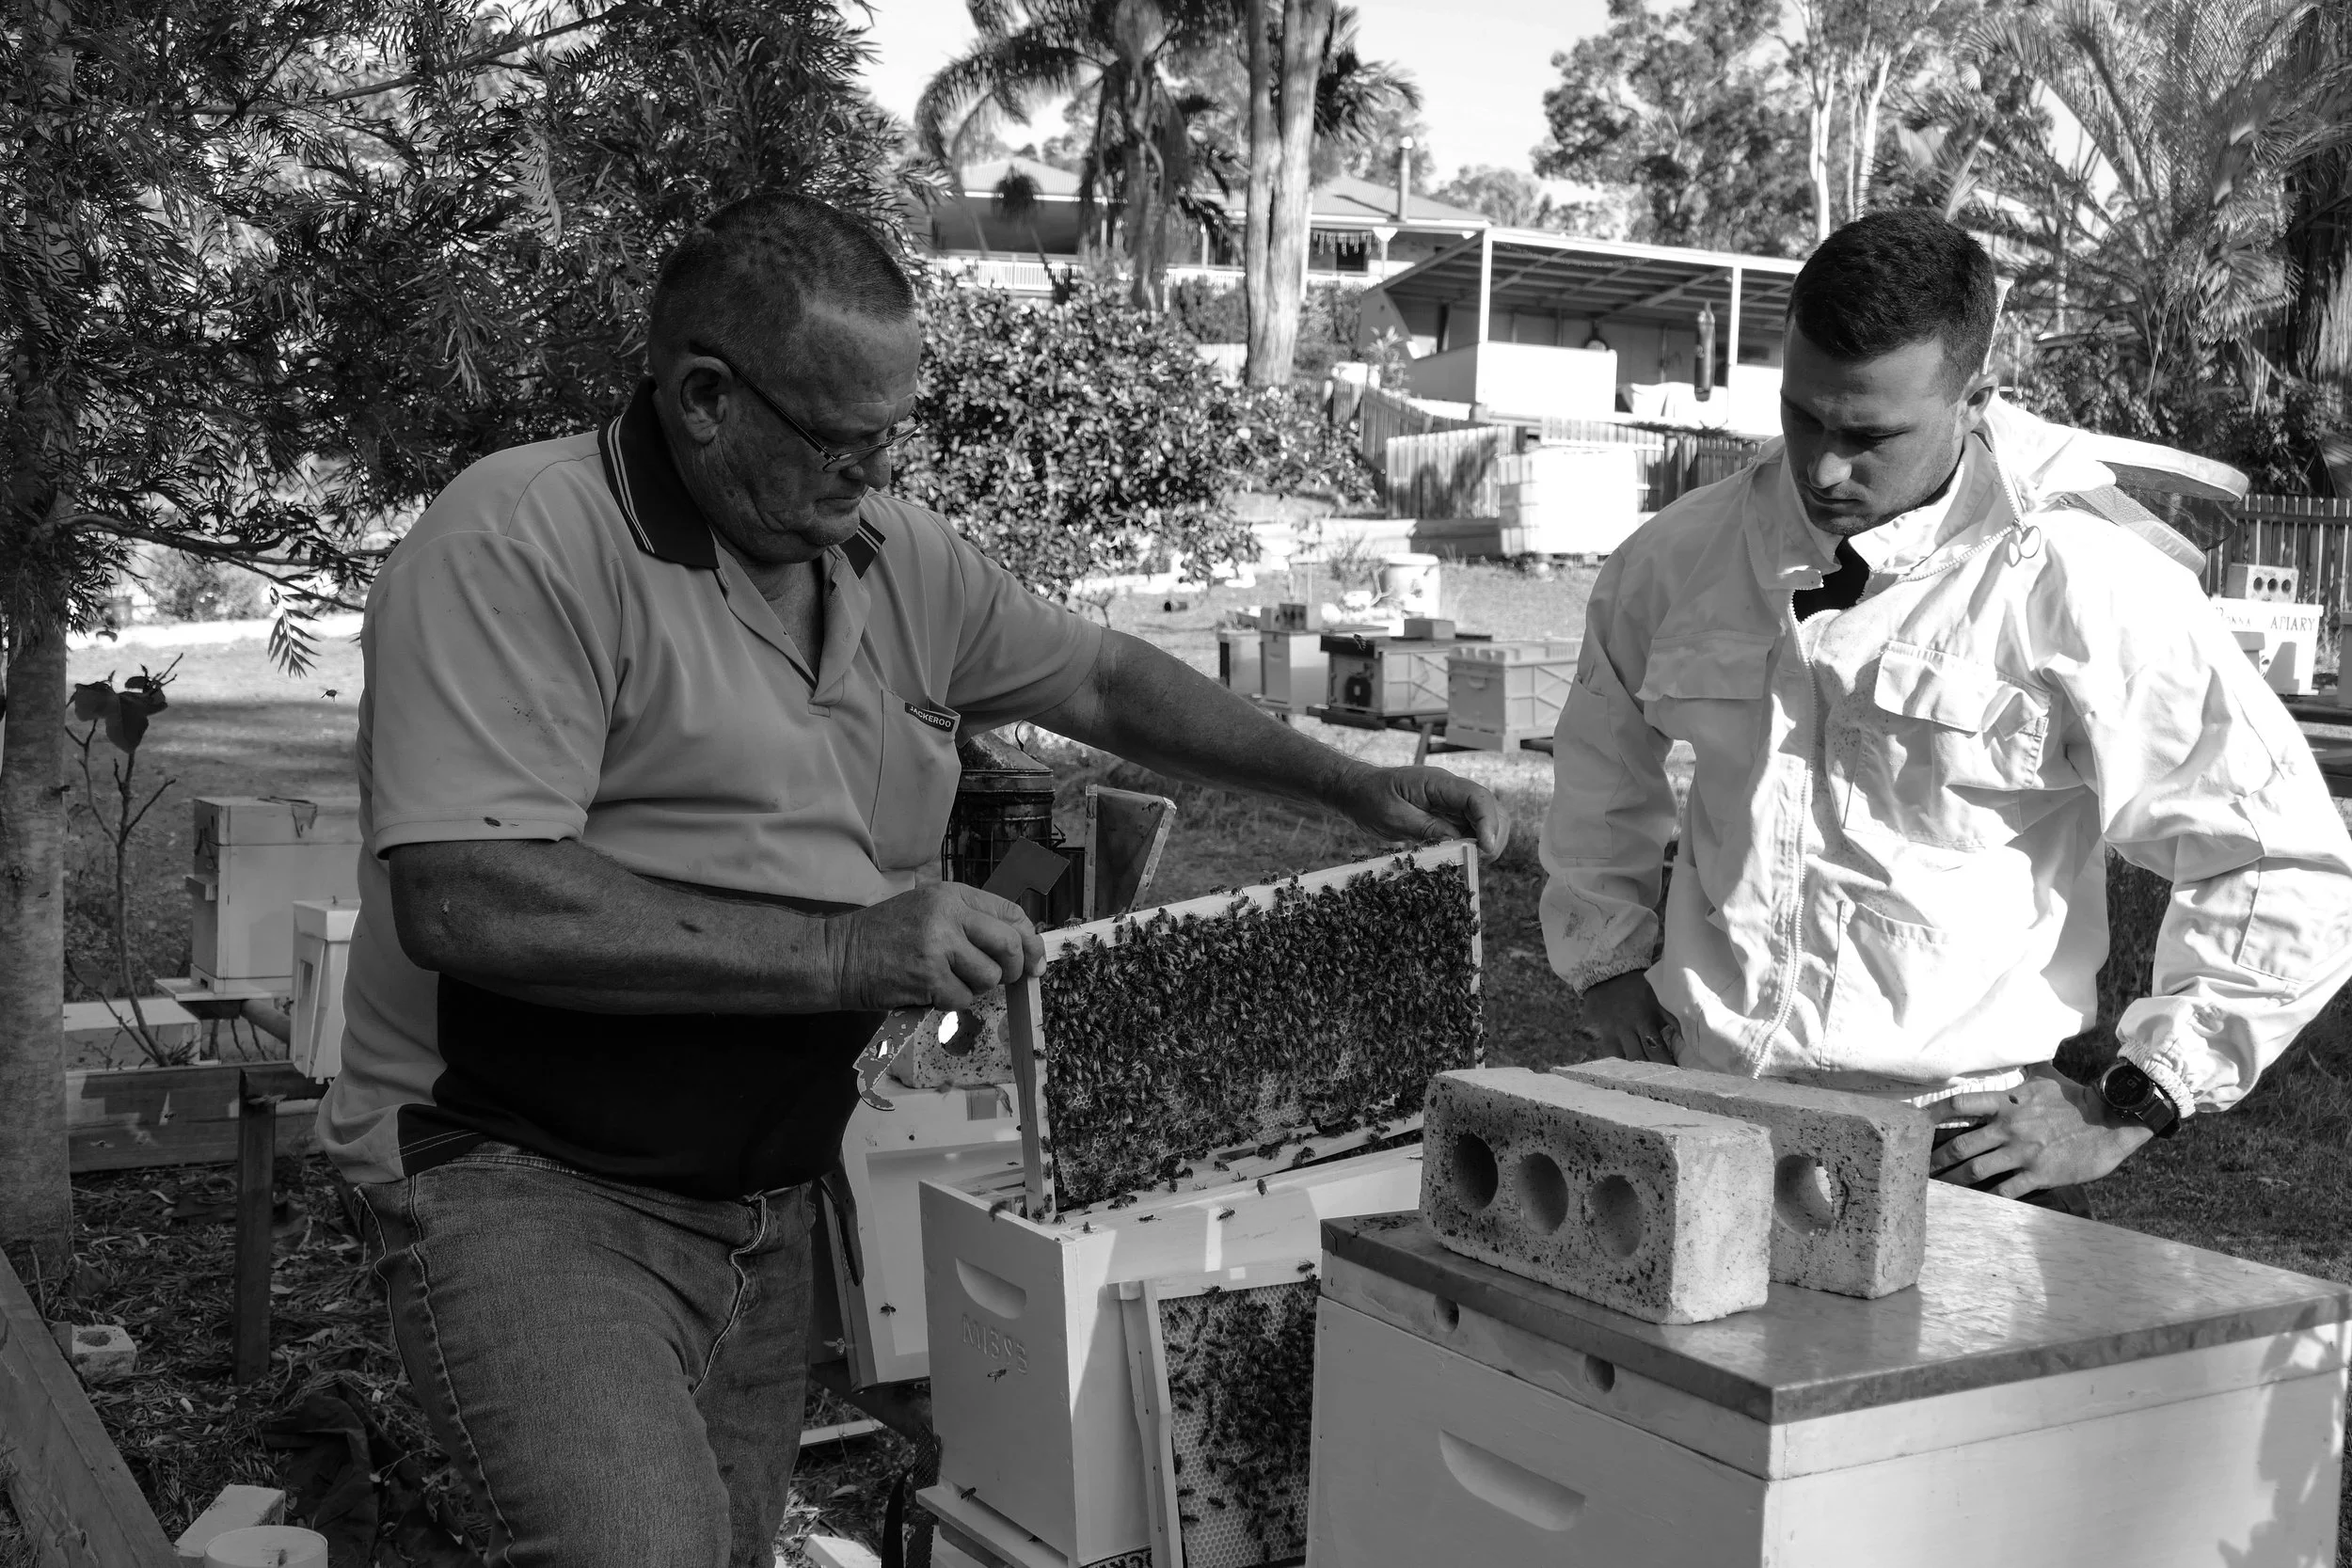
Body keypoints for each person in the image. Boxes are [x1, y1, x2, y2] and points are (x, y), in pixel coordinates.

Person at [323, 191, 1504, 1568]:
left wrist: (1346, 781)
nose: (871, 474)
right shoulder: (519, 539)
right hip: (523, 1173)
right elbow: (470, 894)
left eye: (895, 434)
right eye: (841, 437)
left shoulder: (891, 554)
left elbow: (1104, 676)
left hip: (758, 1195)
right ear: (704, 396)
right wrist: (845, 950)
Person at [1543, 209, 2352, 1214]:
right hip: (1705, 1115)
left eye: (1869, 434)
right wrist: (1607, 959)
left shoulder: (2086, 586)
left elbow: (2279, 858)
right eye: (1802, 416)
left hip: (1963, 1151)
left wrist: (2134, 1094)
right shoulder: (1676, 558)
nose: (1824, 468)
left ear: (1974, 399)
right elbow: (1596, 768)